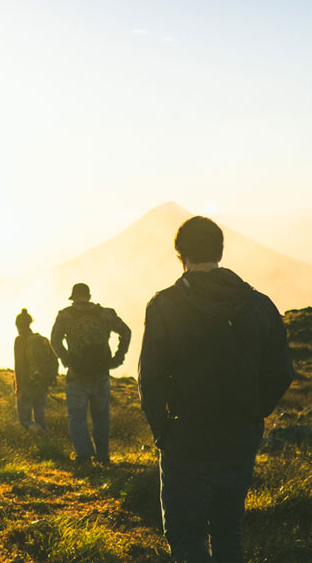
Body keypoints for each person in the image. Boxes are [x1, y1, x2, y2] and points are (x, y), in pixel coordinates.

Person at [138, 216, 293, 563]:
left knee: (186, 536)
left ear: (181, 255)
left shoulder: (164, 305)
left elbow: (149, 378)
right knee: (227, 531)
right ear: (220, 251)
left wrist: (164, 432)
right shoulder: (259, 304)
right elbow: (282, 371)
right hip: (239, 438)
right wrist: (253, 414)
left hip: (185, 439)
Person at [51, 283, 131, 464]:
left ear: (73, 297)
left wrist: (67, 361)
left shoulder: (65, 315)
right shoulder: (105, 313)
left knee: (77, 417)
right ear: (89, 296)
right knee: (101, 417)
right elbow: (126, 332)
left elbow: (55, 340)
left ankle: (85, 456)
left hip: (77, 374)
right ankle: (103, 457)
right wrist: (118, 358)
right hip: (101, 373)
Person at [14, 308, 53, 435]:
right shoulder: (40, 339)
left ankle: (41, 434)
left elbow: (19, 365)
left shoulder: (20, 340)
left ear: (17, 325)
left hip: (26, 384)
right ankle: (48, 444)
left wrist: (18, 388)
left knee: (24, 420)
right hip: (41, 383)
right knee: (40, 418)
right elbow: (52, 360)